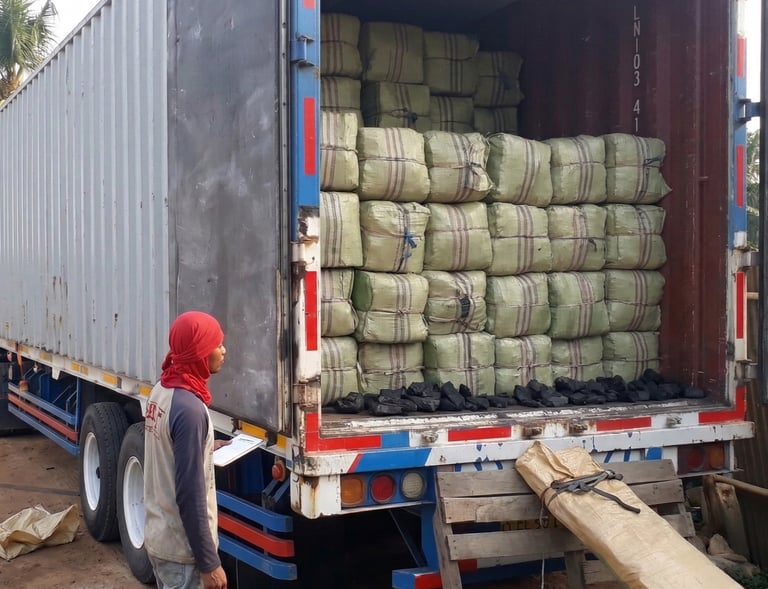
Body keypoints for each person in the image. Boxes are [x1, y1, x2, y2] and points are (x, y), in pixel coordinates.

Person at [144, 311, 229, 589]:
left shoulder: (162, 389)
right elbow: (189, 495)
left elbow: (168, 448)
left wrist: (205, 446)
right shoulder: (190, 409)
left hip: (160, 537)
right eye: (216, 344)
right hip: (183, 555)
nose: (223, 351)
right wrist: (209, 563)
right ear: (199, 352)